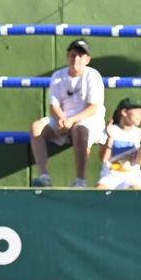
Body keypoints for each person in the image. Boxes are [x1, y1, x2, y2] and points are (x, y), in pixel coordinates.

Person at [30, 38, 105, 188]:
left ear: (87, 59)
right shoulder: (58, 76)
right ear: (67, 57)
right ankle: (45, 178)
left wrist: (72, 121)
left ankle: (80, 180)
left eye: (80, 56)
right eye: (72, 55)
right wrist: (62, 120)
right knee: (36, 127)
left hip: (89, 121)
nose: (76, 59)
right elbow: (54, 105)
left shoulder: (93, 76)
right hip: (63, 119)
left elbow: (93, 108)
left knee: (80, 129)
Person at [96, 96, 141, 191]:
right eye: (138, 111)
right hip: (110, 177)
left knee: (136, 193)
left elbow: (140, 162)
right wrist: (109, 138)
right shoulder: (110, 130)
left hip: (132, 178)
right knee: (99, 193)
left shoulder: (139, 134)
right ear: (124, 112)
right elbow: (104, 158)